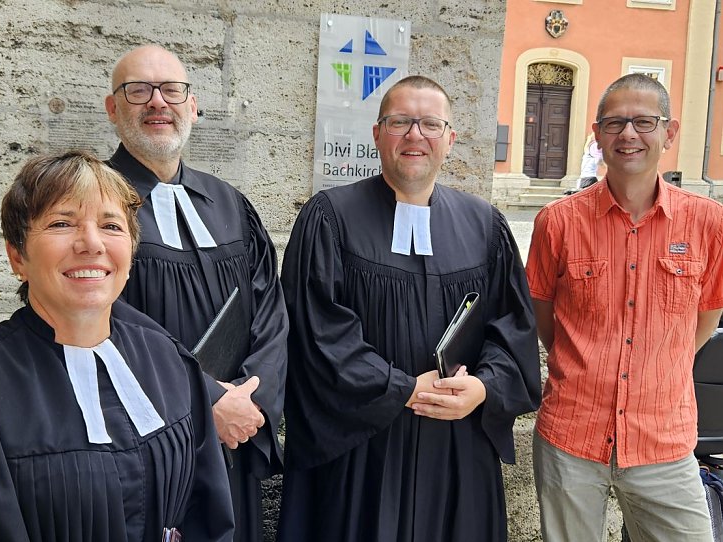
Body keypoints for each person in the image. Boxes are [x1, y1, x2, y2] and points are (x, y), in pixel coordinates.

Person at [0, 151, 234, 541]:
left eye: (111, 225)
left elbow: (207, 516)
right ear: (17, 257)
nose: (91, 244)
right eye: (62, 223)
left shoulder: (168, 360)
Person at [277, 75, 542, 541]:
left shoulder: (484, 226)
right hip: (364, 450)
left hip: (457, 447)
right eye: (400, 122)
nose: (415, 135)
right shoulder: (330, 218)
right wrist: (398, 387)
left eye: (430, 124)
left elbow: (513, 328)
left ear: (451, 139)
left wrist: (483, 388)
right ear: (378, 134)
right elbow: (316, 332)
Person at [526, 73, 723, 541]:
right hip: (572, 437)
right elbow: (542, 314)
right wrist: (586, 364)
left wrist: (663, 362)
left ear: (669, 133)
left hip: (665, 441)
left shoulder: (708, 223)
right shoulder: (558, 222)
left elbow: (708, 312)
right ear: (597, 135)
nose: (628, 134)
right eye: (614, 123)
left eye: (643, 121)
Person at [104, 45, 288, 542]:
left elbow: (270, 313)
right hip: (147, 440)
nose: (158, 102)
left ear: (193, 105)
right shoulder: (93, 202)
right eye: (138, 90)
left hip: (233, 434)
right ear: (112, 107)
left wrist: (252, 400)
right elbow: (102, 322)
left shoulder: (229, 202)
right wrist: (206, 402)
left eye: (172, 90)